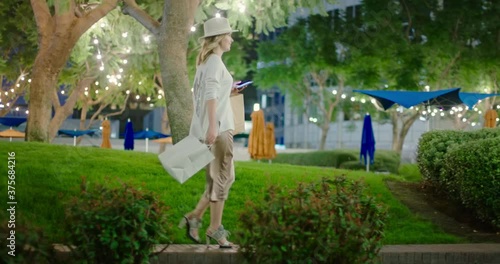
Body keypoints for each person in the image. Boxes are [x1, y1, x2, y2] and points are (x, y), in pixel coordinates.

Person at [179, 17, 247, 249]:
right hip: (219, 127)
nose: (231, 39)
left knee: (223, 178)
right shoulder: (215, 63)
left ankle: (195, 217)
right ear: (219, 38)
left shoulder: (206, 63)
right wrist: (212, 127)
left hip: (216, 125)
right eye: (229, 35)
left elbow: (212, 92)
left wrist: (230, 89)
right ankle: (214, 229)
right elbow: (209, 96)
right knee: (221, 179)